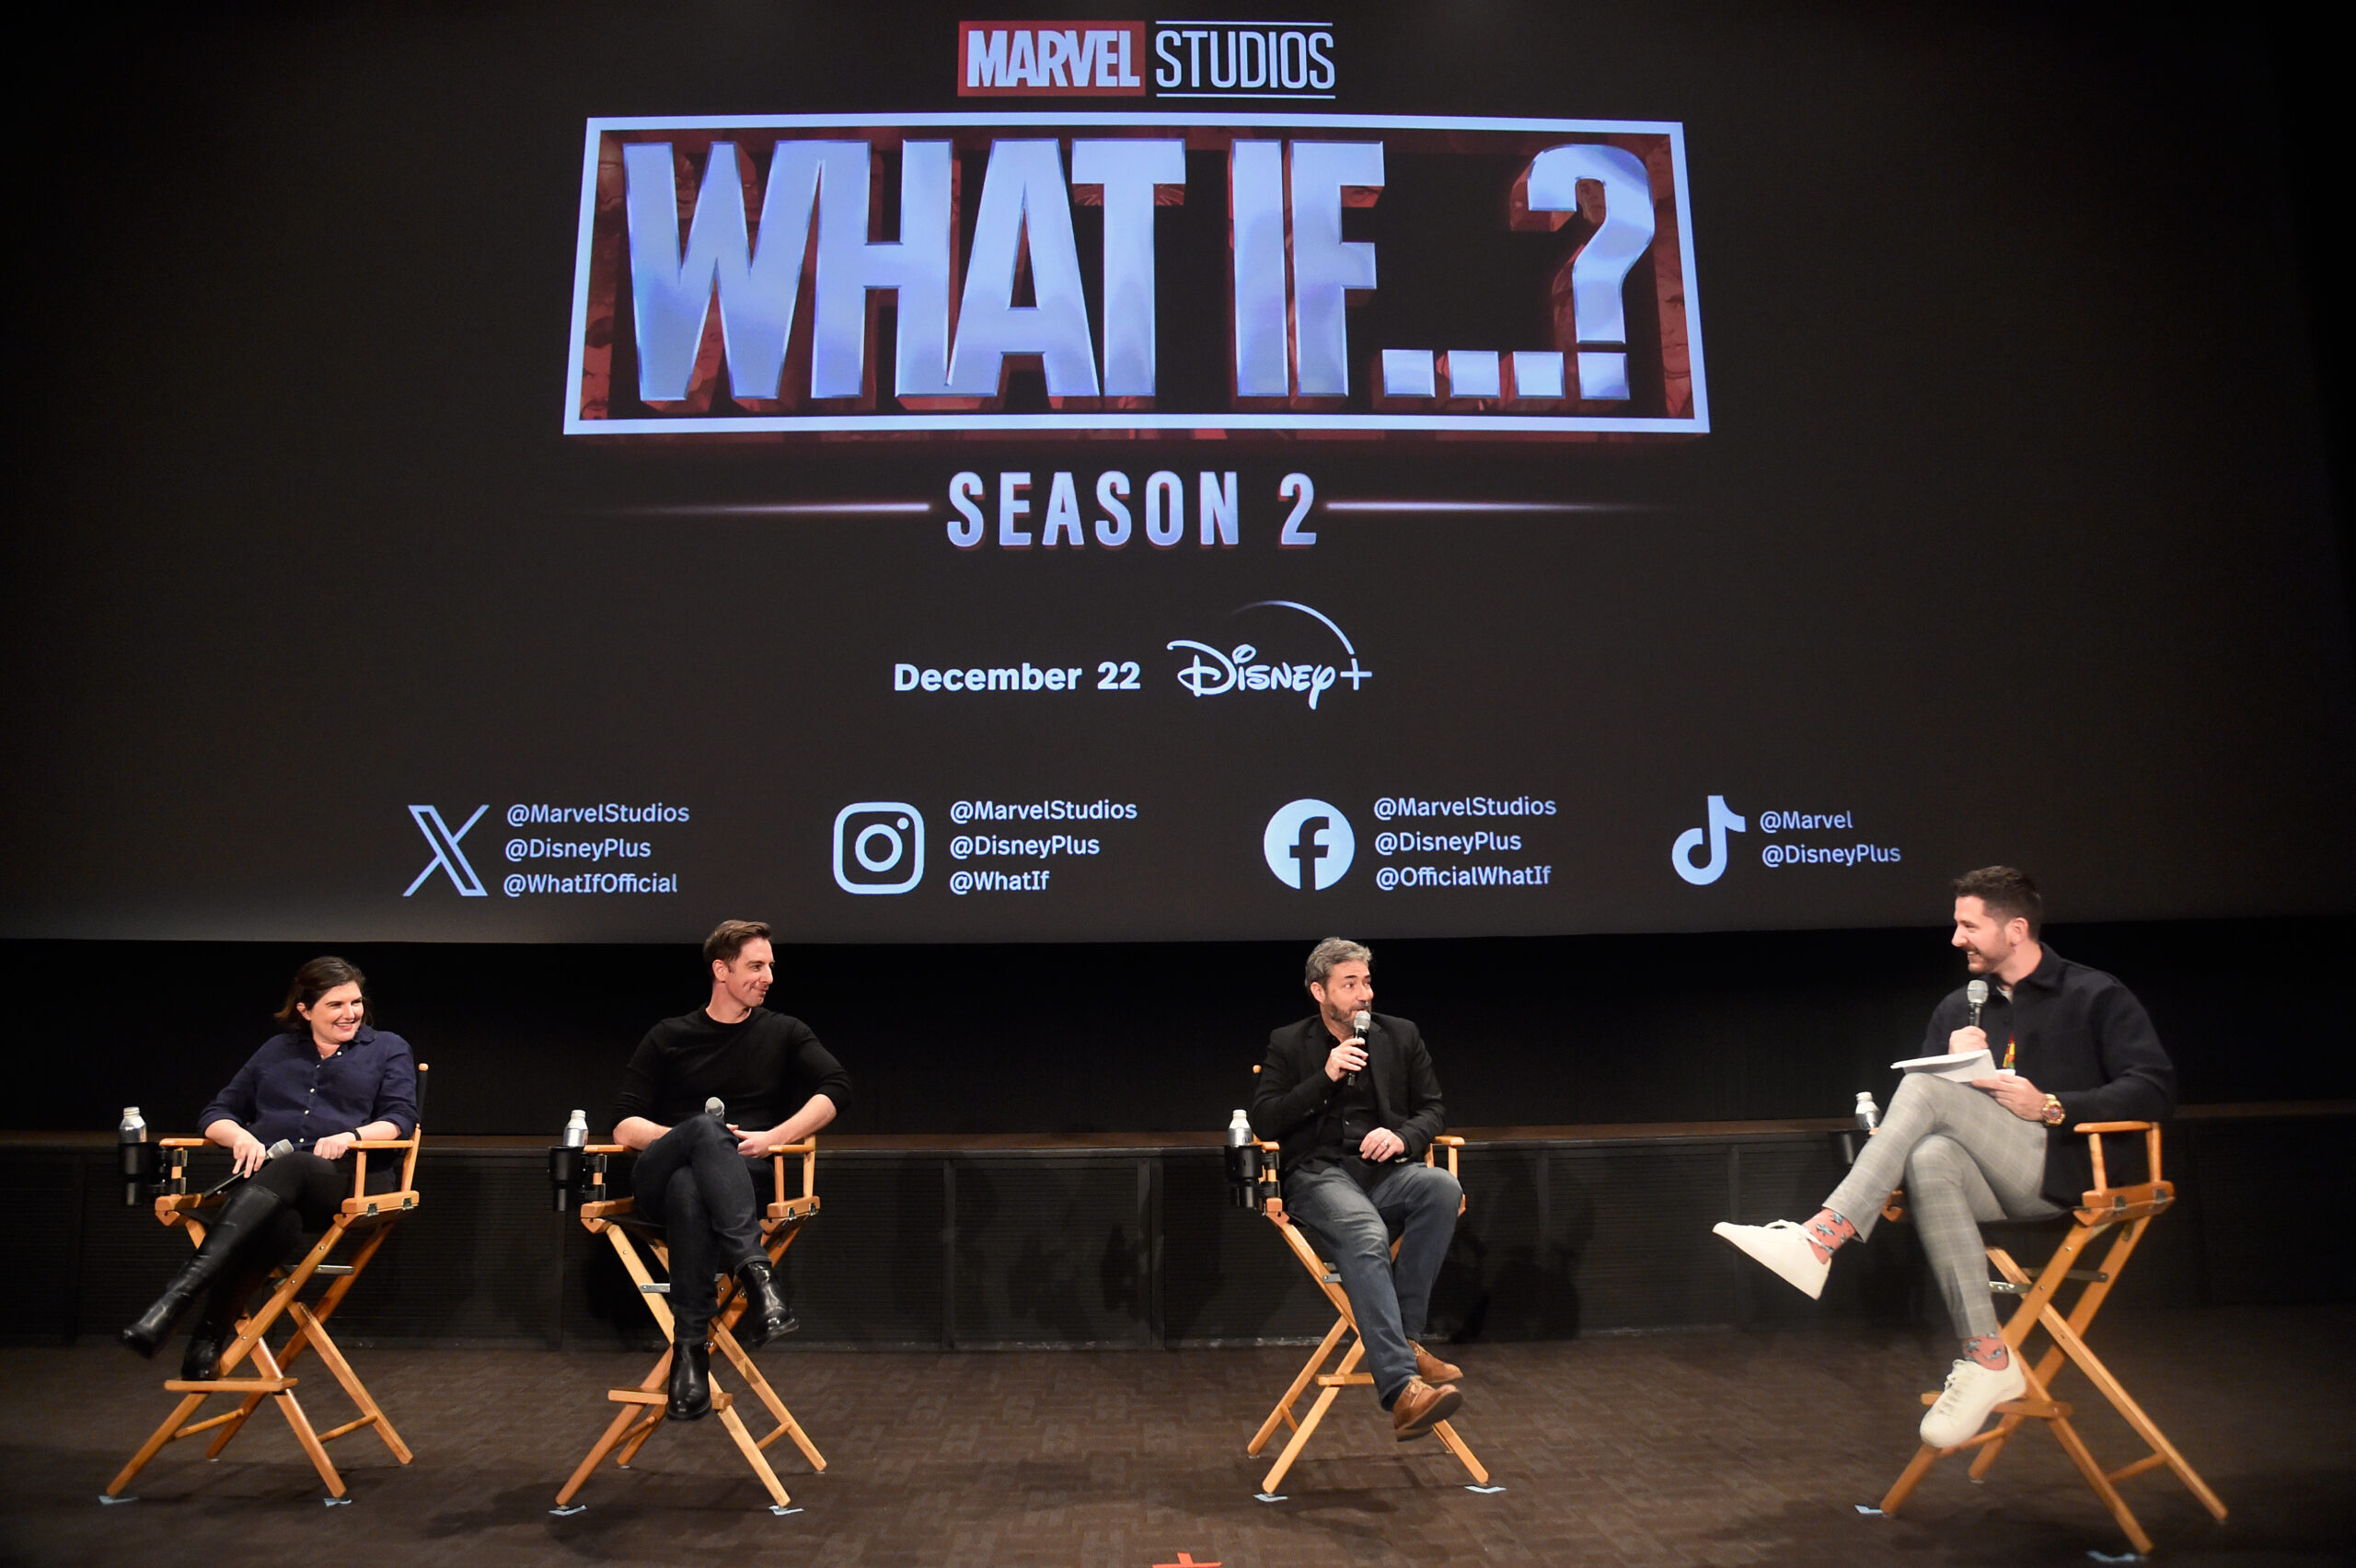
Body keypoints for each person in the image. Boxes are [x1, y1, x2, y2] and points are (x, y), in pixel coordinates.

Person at [1714, 867, 2175, 1449]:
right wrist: (1951, 1061)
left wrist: (2054, 1104)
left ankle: (1821, 1238)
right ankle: (1987, 1356)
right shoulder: (1960, 1008)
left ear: (2016, 929)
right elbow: (1923, 1109)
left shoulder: (2095, 994)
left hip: (2072, 1169)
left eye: (1968, 925)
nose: (1955, 938)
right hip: (1994, 1175)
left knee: (1930, 1096)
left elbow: (2156, 1088)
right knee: (1930, 1154)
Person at [121, 957, 419, 1380]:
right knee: (278, 1223)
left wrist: (354, 1135)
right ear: (304, 1008)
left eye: (355, 1002)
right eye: (335, 1005)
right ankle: (206, 1341)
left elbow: (401, 1119)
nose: (350, 1013)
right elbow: (217, 1113)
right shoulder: (276, 1051)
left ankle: (170, 1304)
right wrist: (240, 1137)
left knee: (295, 1165)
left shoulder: (388, 1047)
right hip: (273, 1190)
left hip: (353, 1180)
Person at [614, 919, 849, 1422]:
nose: (768, 977)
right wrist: (696, 1138)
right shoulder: (670, 1036)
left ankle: (690, 1352)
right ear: (721, 970)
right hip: (656, 1178)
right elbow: (624, 1125)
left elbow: (836, 1088)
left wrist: (774, 1138)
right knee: (700, 1136)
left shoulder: (784, 1032)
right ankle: (757, 1274)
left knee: (689, 1187)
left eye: (770, 967)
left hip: (737, 1185)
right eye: (755, 966)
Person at [1250, 938, 1465, 1440]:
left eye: (1366, 982)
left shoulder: (1401, 1034)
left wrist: (1402, 1136)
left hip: (1385, 1173)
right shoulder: (1289, 1043)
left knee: (1440, 1188)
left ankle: (1405, 1341)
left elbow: (1432, 1108)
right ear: (1319, 991)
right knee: (1365, 1230)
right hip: (1318, 1173)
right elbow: (1265, 1118)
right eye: (1350, 984)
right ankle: (1402, 1391)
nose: (1364, 994)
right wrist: (1324, 1076)